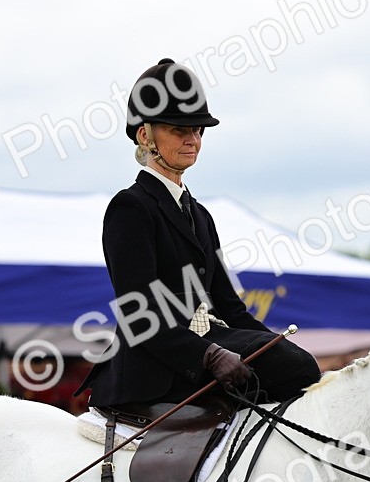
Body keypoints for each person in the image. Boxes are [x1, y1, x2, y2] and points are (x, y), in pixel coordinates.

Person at [76, 58, 321, 413]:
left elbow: (230, 307)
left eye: (199, 131)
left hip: (207, 342)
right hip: (157, 365)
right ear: (145, 135)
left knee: (294, 363)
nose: (193, 140)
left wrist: (271, 342)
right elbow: (139, 314)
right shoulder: (130, 207)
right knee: (293, 365)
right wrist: (209, 355)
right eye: (180, 130)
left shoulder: (200, 215)